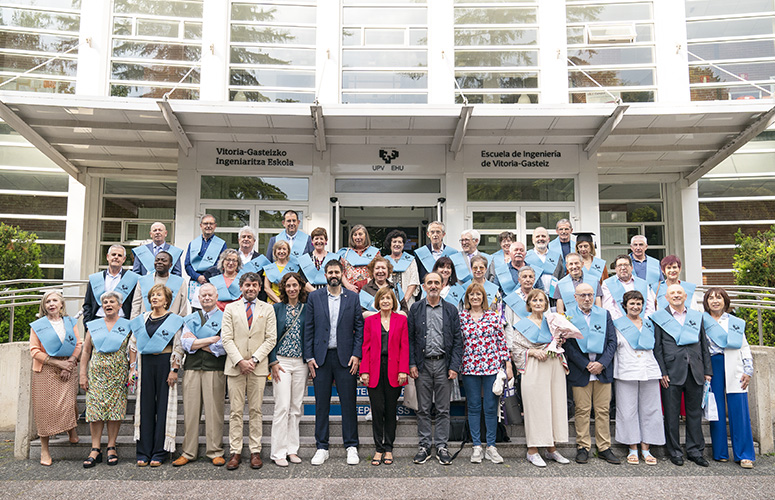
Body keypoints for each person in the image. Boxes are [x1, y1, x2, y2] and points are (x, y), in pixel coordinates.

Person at [303, 259, 364, 466]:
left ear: (342, 273)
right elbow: (308, 329)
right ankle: (322, 447)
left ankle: (351, 446)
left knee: (349, 403)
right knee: (322, 404)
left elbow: (359, 328)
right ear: (325, 275)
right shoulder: (315, 297)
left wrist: (357, 354)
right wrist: (309, 357)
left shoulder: (353, 298)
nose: (333, 275)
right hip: (321, 358)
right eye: (330, 272)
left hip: (346, 358)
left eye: (337, 271)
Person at [221, 272, 277, 470]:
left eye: (254, 285)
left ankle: (255, 450)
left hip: (257, 367)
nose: (250, 288)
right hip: (235, 367)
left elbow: (271, 338)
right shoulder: (230, 308)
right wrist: (240, 361)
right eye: (247, 285)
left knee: (256, 410)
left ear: (260, 288)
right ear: (241, 287)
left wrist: (253, 360)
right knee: (236, 411)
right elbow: (226, 338)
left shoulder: (268, 309)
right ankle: (235, 451)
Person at [507, 289, 569, 467]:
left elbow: (558, 342)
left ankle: (551, 448)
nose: (538, 303)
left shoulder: (552, 322)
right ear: (529, 303)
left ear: (545, 303)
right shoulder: (523, 324)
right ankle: (532, 450)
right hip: (533, 366)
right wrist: (533, 351)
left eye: (541, 300)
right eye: (534, 300)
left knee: (554, 406)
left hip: (553, 365)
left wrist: (559, 342)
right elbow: (516, 349)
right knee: (535, 408)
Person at [652, 284, 712, 467]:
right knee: (671, 415)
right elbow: (658, 348)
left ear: (685, 296)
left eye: (679, 293)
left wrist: (707, 371)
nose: (676, 295)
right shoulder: (659, 318)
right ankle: (675, 451)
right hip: (671, 372)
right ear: (666, 297)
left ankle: (695, 451)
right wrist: (662, 371)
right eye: (672, 293)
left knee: (694, 414)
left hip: (695, 371)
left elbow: (704, 345)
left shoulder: (696, 317)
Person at [408, 272, 463, 466]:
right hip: (422, 365)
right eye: (429, 282)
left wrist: (454, 366)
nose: (433, 285)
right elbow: (410, 339)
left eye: (436, 282)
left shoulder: (450, 309)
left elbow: (458, 340)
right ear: (423, 286)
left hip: (443, 365)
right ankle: (424, 446)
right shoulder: (415, 309)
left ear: (441, 286)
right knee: (423, 408)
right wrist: (412, 364)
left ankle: (441, 446)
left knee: (443, 409)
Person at [128, 284, 185, 467]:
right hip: (145, 364)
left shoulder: (174, 320)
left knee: (163, 407)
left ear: (167, 300)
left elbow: (178, 346)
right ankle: (143, 452)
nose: (154, 298)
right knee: (145, 407)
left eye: (158, 295)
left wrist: (174, 370)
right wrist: (133, 368)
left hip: (165, 363)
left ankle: (159, 453)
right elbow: (133, 344)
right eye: (152, 295)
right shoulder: (142, 319)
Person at [172, 283, 227, 467]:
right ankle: (188, 452)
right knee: (190, 412)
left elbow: (222, 347)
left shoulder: (224, 318)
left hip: (215, 370)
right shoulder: (190, 318)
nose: (206, 298)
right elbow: (186, 343)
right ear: (198, 298)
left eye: (209, 294)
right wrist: (211, 339)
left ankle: (215, 451)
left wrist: (197, 342)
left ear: (216, 295)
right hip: (192, 369)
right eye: (203, 295)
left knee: (215, 412)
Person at [564, 283, 620, 465]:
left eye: (590, 295)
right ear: (575, 297)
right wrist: (587, 364)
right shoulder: (569, 317)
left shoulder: (604, 314)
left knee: (603, 411)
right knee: (582, 411)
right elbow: (569, 347)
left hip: (602, 371)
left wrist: (602, 363)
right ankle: (583, 447)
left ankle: (604, 447)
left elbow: (612, 341)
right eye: (582, 295)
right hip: (582, 371)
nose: (587, 299)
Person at [703, 287, 756, 469]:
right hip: (712, 367)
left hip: (735, 365)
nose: (715, 301)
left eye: (719, 298)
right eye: (711, 298)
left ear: (725, 301)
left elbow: (744, 346)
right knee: (715, 408)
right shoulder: (702, 321)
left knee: (739, 410)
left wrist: (748, 370)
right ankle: (720, 452)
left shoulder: (735, 322)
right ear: (706, 302)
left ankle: (745, 454)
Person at [459, 283, 512, 464]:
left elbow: (501, 342)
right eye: (472, 295)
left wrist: (507, 364)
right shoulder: (462, 317)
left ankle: (491, 446)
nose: (475, 297)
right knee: (473, 406)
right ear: (468, 298)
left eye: (478, 295)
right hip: (469, 367)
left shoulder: (493, 316)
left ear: (483, 297)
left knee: (490, 407)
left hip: (491, 366)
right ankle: (476, 446)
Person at [80, 291, 132, 468]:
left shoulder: (127, 325)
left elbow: (133, 349)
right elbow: (86, 351)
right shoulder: (93, 325)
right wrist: (82, 374)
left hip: (118, 375)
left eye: (112, 302)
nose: (108, 304)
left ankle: (111, 446)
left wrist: (133, 370)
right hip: (96, 375)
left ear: (120, 305)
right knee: (95, 411)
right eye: (105, 302)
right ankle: (95, 448)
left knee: (115, 411)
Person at [29, 291, 82, 466]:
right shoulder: (38, 325)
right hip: (46, 369)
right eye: (47, 302)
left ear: (61, 304)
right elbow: (34, 351)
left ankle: (71, 429)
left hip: (68, 366)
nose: (51, 304)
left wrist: (71, 362)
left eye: (54, 300)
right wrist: (58, 364)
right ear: (44, 306)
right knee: (44, 409)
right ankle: (45, 449)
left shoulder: (70, 322)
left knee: (68, 403)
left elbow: (78, 344)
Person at [612, 290, 664, 465]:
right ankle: (632, 448)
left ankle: (646, 448)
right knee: (627, 411)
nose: (635, 307)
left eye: (638, 303)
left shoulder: (650, 324)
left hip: (649, 370)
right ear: (625, 305)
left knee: (651, 410)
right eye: (632, 303)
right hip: (626, 370)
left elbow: (657, 349)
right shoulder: (617, 324)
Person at [360, 287, 409, 466]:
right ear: (378, 302)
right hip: (374, 369)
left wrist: (403, 370)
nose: (386, 301)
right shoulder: (370, 321)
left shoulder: (401, 320)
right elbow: (365, 347)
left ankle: (389, 448)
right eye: (382, 299)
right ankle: (378, 448)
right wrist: (364, 370)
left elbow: (405, 346)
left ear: (393, 301)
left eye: (389, 298)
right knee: (377, 410)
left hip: (394, 370)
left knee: (390, 411)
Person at [269, 273, 309, 467]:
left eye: (295, 285)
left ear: (300, 287)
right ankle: (278, 451)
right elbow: (269, 337)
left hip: (300, 363)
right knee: (282, 407)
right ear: (283, 288)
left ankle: (292, 450)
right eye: (288, 286)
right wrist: (272, 361)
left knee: (296, 407)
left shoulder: (306, 309)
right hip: (281, 363)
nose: (292, 289)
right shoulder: (276, 308)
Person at [83, 244, 139, 324]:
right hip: (98, 321)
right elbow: (87, 304)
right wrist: (87, 324)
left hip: (122, 322)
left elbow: (136, 304)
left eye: (119, 255)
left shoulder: (132, 279)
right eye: (113, 254)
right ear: (107, 257)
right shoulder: (95, 278)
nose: (116, 257)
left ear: (124, 259)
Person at [131, 250, 190, 319]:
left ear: (170, 265)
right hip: (145, 323)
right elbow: (136, 304)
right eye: (157, 260)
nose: (159, 262)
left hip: (171, 324)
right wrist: (133, 322)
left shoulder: (180, 282)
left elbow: (183, 307)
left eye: (164, 260)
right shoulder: (143, 280)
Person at [185, 214, 228, 306]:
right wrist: (198, 277)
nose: (208, 226)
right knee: (196, 312)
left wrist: (206, 276)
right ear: (201, 226)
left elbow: (222, 264)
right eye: (205, 223)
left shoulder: (221, 244)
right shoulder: (193, 244)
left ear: (215, 226)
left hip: (213, 282)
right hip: (195, 282)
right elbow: (187, 265)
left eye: (211, 224)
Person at [601, 254, 655, 321]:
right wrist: (624, 324)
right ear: (615, 268)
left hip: (642, 325)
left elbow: (650, 306)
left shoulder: (643, 283)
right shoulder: (607, 284)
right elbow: (608, 307)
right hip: (618, 325)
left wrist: (643, 322)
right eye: (620, 265)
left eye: (626, 265)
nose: (623, 268)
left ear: (631, 267)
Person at [384, 229, 420, 310]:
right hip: (387, 301)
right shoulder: (384, 261)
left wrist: (404, 300)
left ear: (403, 245)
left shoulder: (411, 260)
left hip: (407, 301)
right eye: (394, 242)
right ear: (390, 244)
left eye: (400, 242)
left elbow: (414, 281)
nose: (397, 244)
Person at [524, 227, 563, 299]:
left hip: (554, 298)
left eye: (543, 236)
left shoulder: (557, 256)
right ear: (533, 240)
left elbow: (561, 278)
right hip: (533, 298)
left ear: (548, 240)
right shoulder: (526, 257)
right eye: (537, 236)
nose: (540, 238)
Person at [340, 224, 380, 293]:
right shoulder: (344, 253)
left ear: (366, 236)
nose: (358, 237)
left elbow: (379, 271)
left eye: (360, 234)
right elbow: (340, 272)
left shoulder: (375, 253)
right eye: (355, 235)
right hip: (349, 290)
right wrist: (348, 285)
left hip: (369, 290)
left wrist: (366, 285)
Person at [298, 227, 339, 291]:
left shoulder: (334, 258)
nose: (319, 241)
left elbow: (336, 276)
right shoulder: (305, 259)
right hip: (310, 295)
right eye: (316, 239)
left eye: (321, 239)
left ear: (326, 240)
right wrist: (316, 293)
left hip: (330, 293)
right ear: (312, 241)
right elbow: (303, 280)